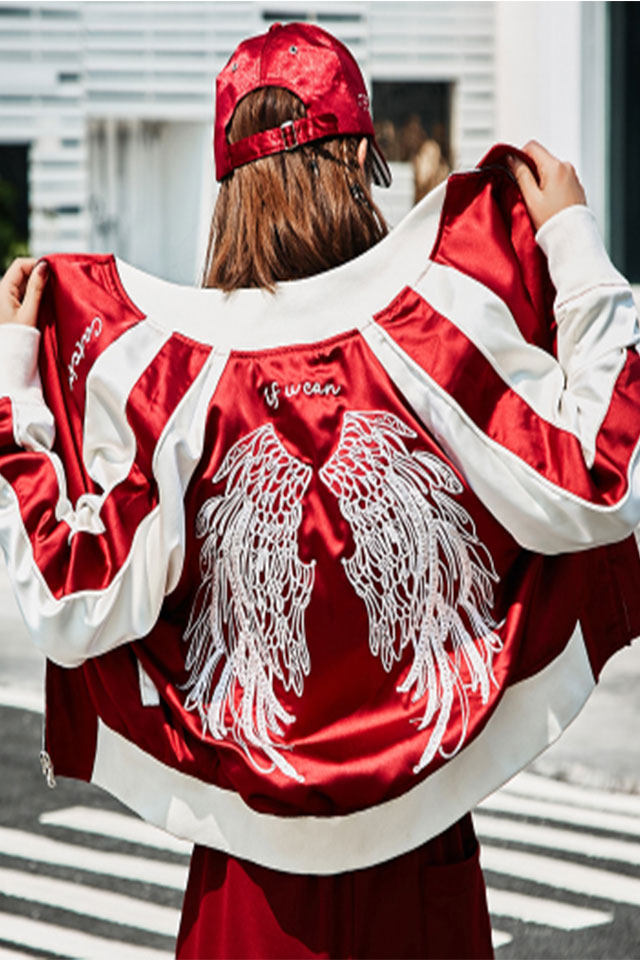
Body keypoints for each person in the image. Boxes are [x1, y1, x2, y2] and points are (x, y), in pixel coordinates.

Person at [1, 21, 640, 960]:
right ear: (356, 163)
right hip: (423, 853)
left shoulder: (170, 382)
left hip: (249, 879)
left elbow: (72, 603)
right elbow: (600, 480)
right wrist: (574, 249)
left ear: (227, 188)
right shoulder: (437, 331)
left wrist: (19, 388)